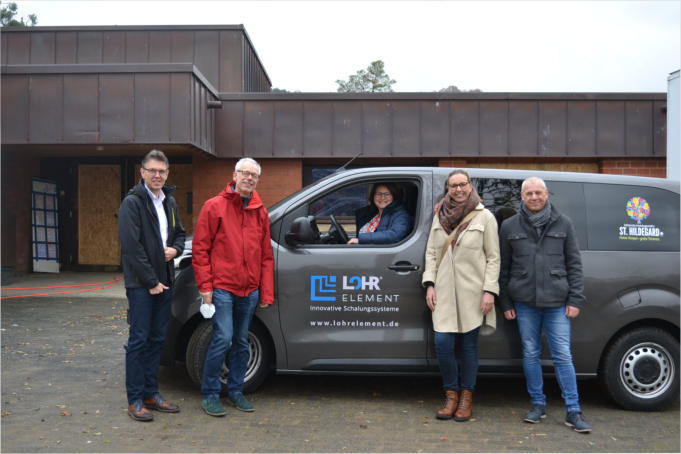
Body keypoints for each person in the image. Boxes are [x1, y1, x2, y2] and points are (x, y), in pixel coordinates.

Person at [499, 176, 592, 433]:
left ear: (547, 194)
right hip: (524, 302)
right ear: (522, 197)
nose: (534, 197)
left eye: (538, 193)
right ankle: (538, 405)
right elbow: (503, 268)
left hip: (557, 302)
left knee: (562, 354)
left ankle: (573, 410)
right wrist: (505, 301)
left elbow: (574, 264)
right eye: (529, 193)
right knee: (530, 353)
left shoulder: (564, 223)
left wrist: (575, 299)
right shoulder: (509, 226)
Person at [192, 157, 274, 417]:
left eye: (254, 175)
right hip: (223, 288)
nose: (249, 178)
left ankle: (237, 391)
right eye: (245, 173)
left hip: (249, 290)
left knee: (240, 341)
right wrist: (205, 286)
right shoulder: (214, 206)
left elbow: (265, 255)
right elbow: (200, 249)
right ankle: (210, 393)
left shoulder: (260, 210)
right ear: (234, 175)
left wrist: (266, 291)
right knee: (223, 338)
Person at [422, 169, 500, 422]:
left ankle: (467, 397)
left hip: (472, 293)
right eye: (453, 185)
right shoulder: (439, 215)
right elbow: (432, 253)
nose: (457, 189)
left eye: (462, 184)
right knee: (443, 345)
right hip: (443, 291)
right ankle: (451, 394)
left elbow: (493, 257)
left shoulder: (485, 216)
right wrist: (430, 284)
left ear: (470, 186)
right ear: (448, 188)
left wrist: (489, 290)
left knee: (468, 347)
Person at [118, 149, 186, 421]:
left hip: (165, 282)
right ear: (142, 172)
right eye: (152, 170)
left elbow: (179, 233)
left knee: (157, 340)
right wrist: (151, 281)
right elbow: (131, 248)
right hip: (142, 285)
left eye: (162, 171)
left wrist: (176, 250)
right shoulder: (132, 203)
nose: (158, 175)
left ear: (167, 173)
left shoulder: (169, 201)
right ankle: (135, 400)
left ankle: (151, 394)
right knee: (139, 341)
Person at [347, 183, 411, 245]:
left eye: (387, 194)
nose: (382, 197)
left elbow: (395, 235)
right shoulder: (371, 214)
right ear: (373, 196)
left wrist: (360, 239)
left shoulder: (401, 215)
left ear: (394, 196)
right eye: (378, 194)